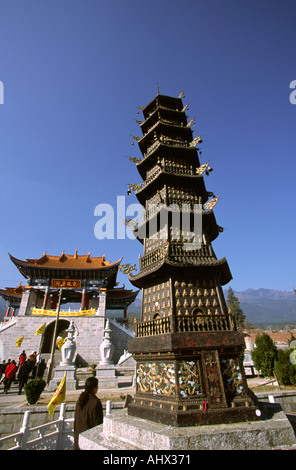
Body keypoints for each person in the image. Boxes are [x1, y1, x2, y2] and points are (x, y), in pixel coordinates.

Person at [74, 377, 103, 450]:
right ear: (94, 388)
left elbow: (76, 421)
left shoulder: (80, 400)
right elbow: (98, 424)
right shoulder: (96, 402)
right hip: (89, 442)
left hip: (78, 440)